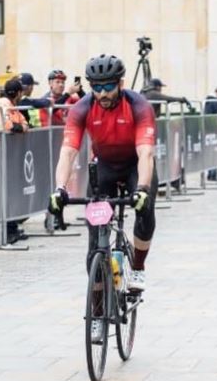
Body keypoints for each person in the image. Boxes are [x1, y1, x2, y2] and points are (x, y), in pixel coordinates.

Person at [48, 54, 157, 302]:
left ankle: (138, 267)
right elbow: (68, 152)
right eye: (97, 87)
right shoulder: (82, 108)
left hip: (134, 165)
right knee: (95, 242)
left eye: (109, 86)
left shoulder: (139, 106)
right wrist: (59, 189)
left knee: (146, 209)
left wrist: (141, 188)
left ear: (120, 83)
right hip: (104, 167)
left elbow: (146, 152)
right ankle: (97, 310)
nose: (103, 93)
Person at [0, 79, 29, 245]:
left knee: (9, 194)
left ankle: (10, 229)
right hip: (0, 155)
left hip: (8, 156)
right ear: (18, 93)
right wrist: (19, 127)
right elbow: (8, 126)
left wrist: (20, 126)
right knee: (0, 195)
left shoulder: (11, 105)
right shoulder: (4, 104)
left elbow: (24, 123)